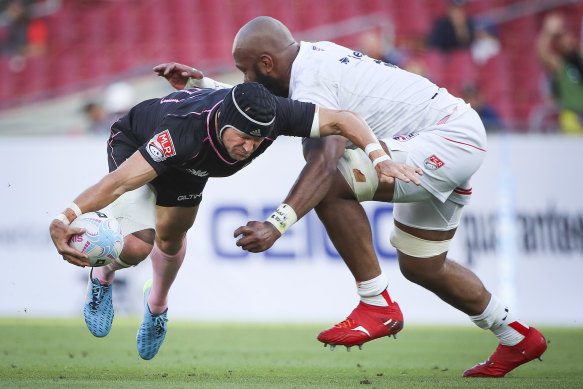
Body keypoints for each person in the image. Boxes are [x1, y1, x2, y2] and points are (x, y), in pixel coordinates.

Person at [154, 16, 547, 377]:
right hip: (447, 137)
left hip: (447, 139)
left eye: (246, 70)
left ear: (267, 63)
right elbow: (270, 109)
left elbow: (325, 163)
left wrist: (277, 226)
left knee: (329, 183)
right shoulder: (306, 62)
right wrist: (203, 85)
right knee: (423, 266)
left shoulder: (312, 80)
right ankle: (517, 337)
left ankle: (376, 303)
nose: (245, 78)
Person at [49, 82, 420, 361]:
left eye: (260, 141)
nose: (249, 147)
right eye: (243, 138)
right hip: (137, 142)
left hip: (190, 165)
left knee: (171, 241)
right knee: (136, 246)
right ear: (225, 122)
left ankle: (157, 307)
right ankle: (102, 277)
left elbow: (344, 119)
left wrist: (378, 156)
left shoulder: (273, 115)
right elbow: (117, 183)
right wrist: (64, 217)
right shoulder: (182, 131)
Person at [536, 12, 583, 135]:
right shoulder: (560, 64)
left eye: (568, 38)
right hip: (571, 116)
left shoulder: (579, 59)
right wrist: (548, 32)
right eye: (561, 40)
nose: (566, 42)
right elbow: (542, 53)